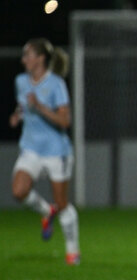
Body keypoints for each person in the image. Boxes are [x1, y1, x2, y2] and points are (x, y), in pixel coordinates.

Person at [9, 38, 80, 266]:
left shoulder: (56, 83)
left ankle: (72, 250)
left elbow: (64, 120)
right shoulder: (21, 81)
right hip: (30, 148)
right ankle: (45, 211)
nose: (23, 60)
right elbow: (22, 104)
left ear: (40, 58)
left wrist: (39, 107)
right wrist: (17, 114)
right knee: (19, 191)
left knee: (63, 204)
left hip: (55, 151)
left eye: (28, 55)